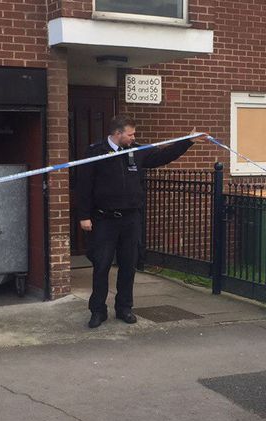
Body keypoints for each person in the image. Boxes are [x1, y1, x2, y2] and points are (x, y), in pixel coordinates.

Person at [77, 115, 206, 328]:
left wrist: (187, 142)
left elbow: (163, 157)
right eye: (130, 134)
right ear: (117, 134)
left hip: (131, 219)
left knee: (129, 265)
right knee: (102, 266)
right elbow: (84, 185)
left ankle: (124, 308)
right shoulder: (95, 152)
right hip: (104, 219)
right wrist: (84, 216)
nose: (133, 137)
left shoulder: (136, 151)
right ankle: (98, 311)